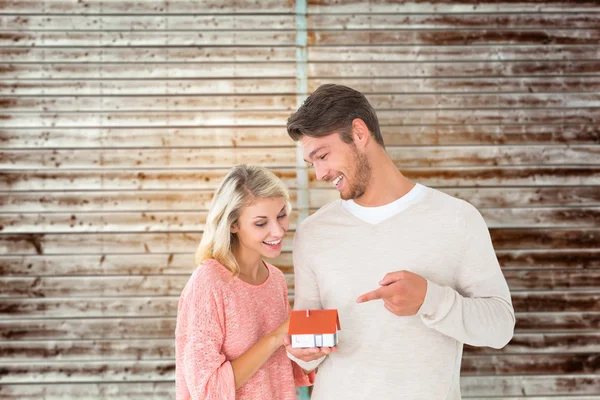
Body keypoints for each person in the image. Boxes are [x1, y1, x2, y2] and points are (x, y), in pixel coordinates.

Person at [284, 84, 515, 399]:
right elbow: (305, 338)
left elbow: (500, 328)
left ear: (359, 133)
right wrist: (302, 351)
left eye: (322, 155)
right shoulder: (313, 233)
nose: (320, 173)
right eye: (312, 163)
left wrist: (430, 300)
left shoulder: (456, 218)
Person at [175, 165, 314, 400]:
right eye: (261, 223)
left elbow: (286, 368)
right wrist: (275, 337)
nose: (278, 230)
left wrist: (309, 350)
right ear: (233, 224)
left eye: (281, 215)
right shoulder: (209, 282)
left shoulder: (275, 279)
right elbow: (209, 390)